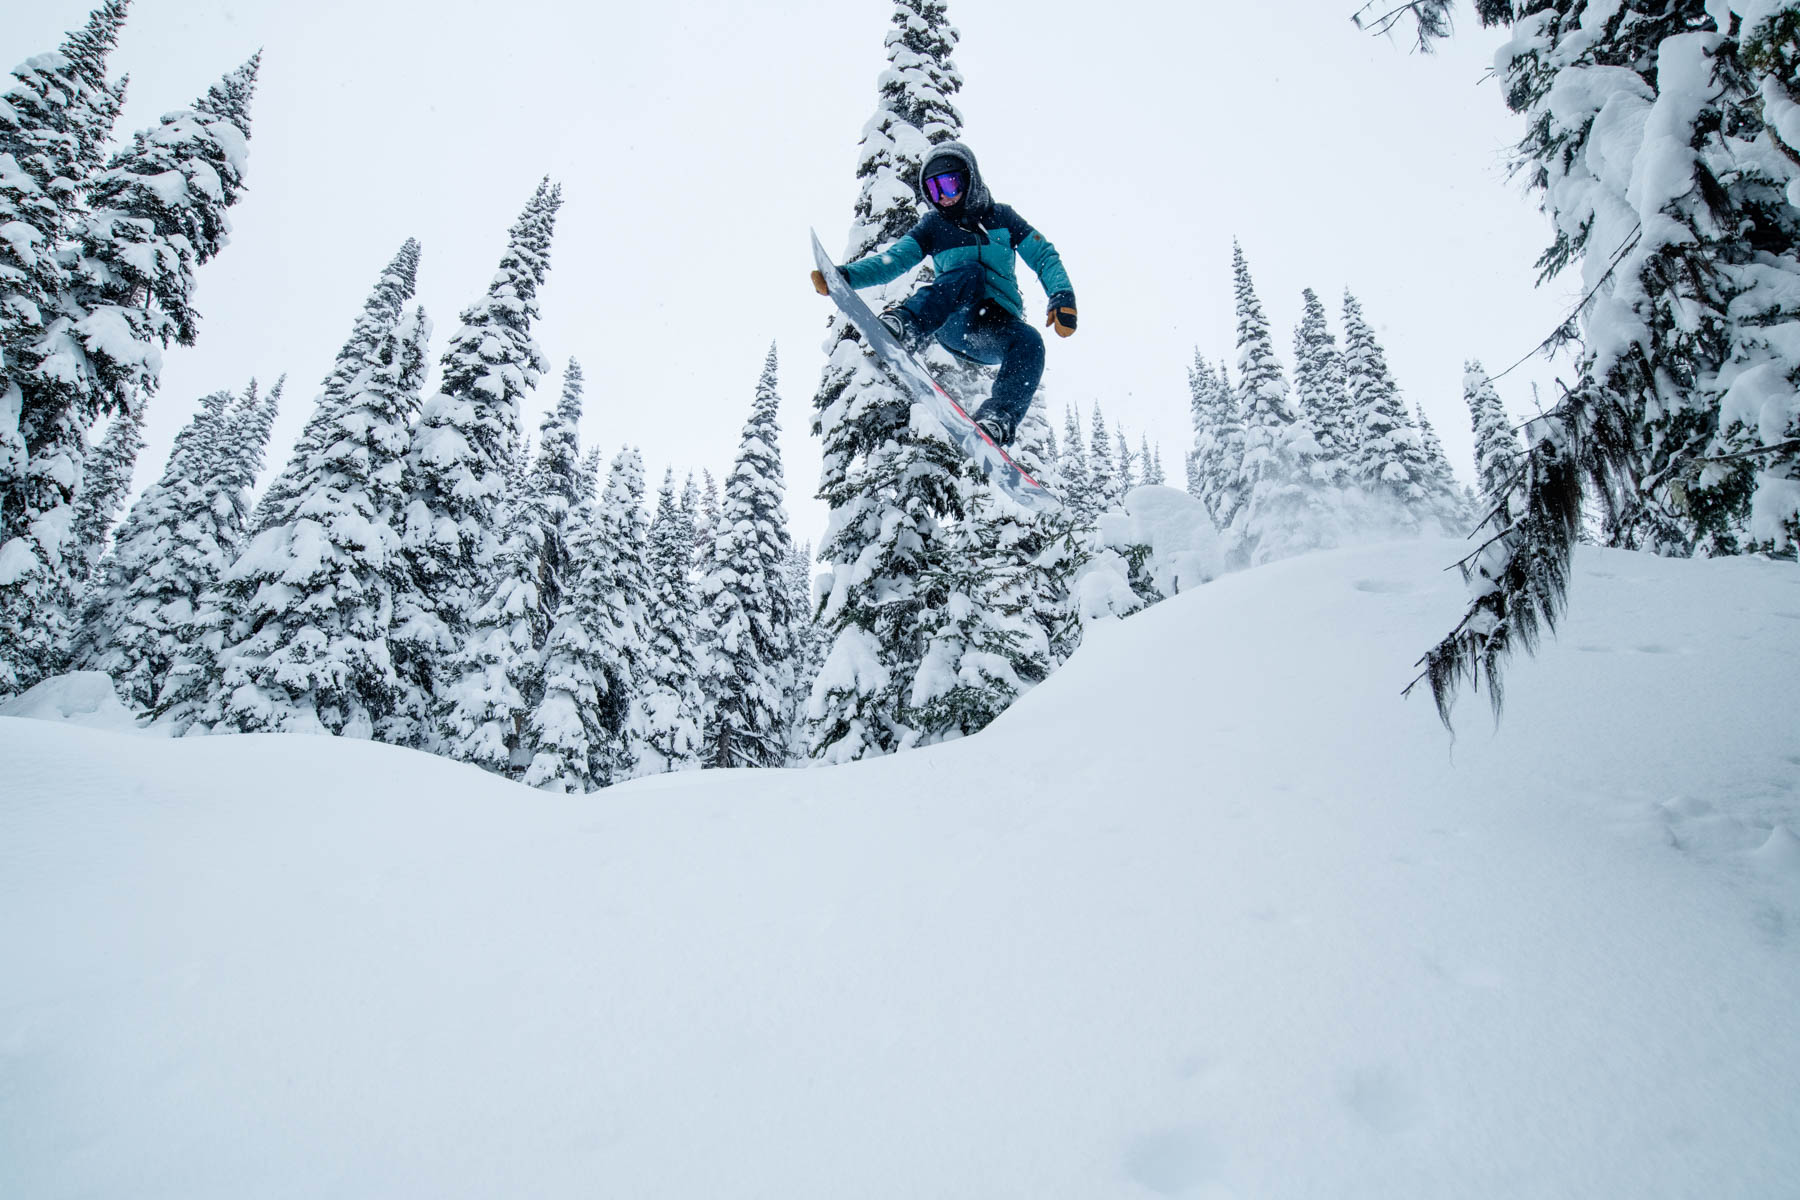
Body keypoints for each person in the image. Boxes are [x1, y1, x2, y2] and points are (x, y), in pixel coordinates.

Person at [811, 141, 1076, 447]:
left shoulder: (1003, 218)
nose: (944, 199)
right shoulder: (935, 226)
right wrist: (844, 277)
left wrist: (1061, 295)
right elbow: (894, 260)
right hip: (954, 322)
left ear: (970, 179)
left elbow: (1042, 254)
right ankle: (906, 326)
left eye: (949, 186)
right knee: (969, 273)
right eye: (934, 192)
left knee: (1030, 341)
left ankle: (998, 419)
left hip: (993, 330)